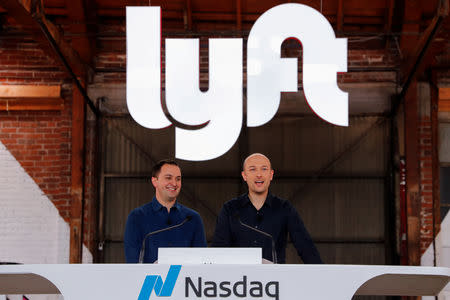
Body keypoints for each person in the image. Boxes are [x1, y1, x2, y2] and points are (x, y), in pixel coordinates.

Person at [212, 153, 322, 264]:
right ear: (244, 175)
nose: (259, 175)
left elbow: (305, 246)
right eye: (253, 169)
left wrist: (324, 274)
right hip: (239, 279)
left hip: (275, 279)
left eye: (264, 169)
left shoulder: (284, 208)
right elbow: (218, 251)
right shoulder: (230, 209)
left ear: (271, 174)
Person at [124, 159, 207, 263]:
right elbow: (132, 262)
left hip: (185, 279)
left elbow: (202, 262)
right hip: (149, 279)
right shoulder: (137, 217)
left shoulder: (192, 218)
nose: (174, 183)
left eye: (178, 179)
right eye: (168, 178)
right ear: (155, 181)